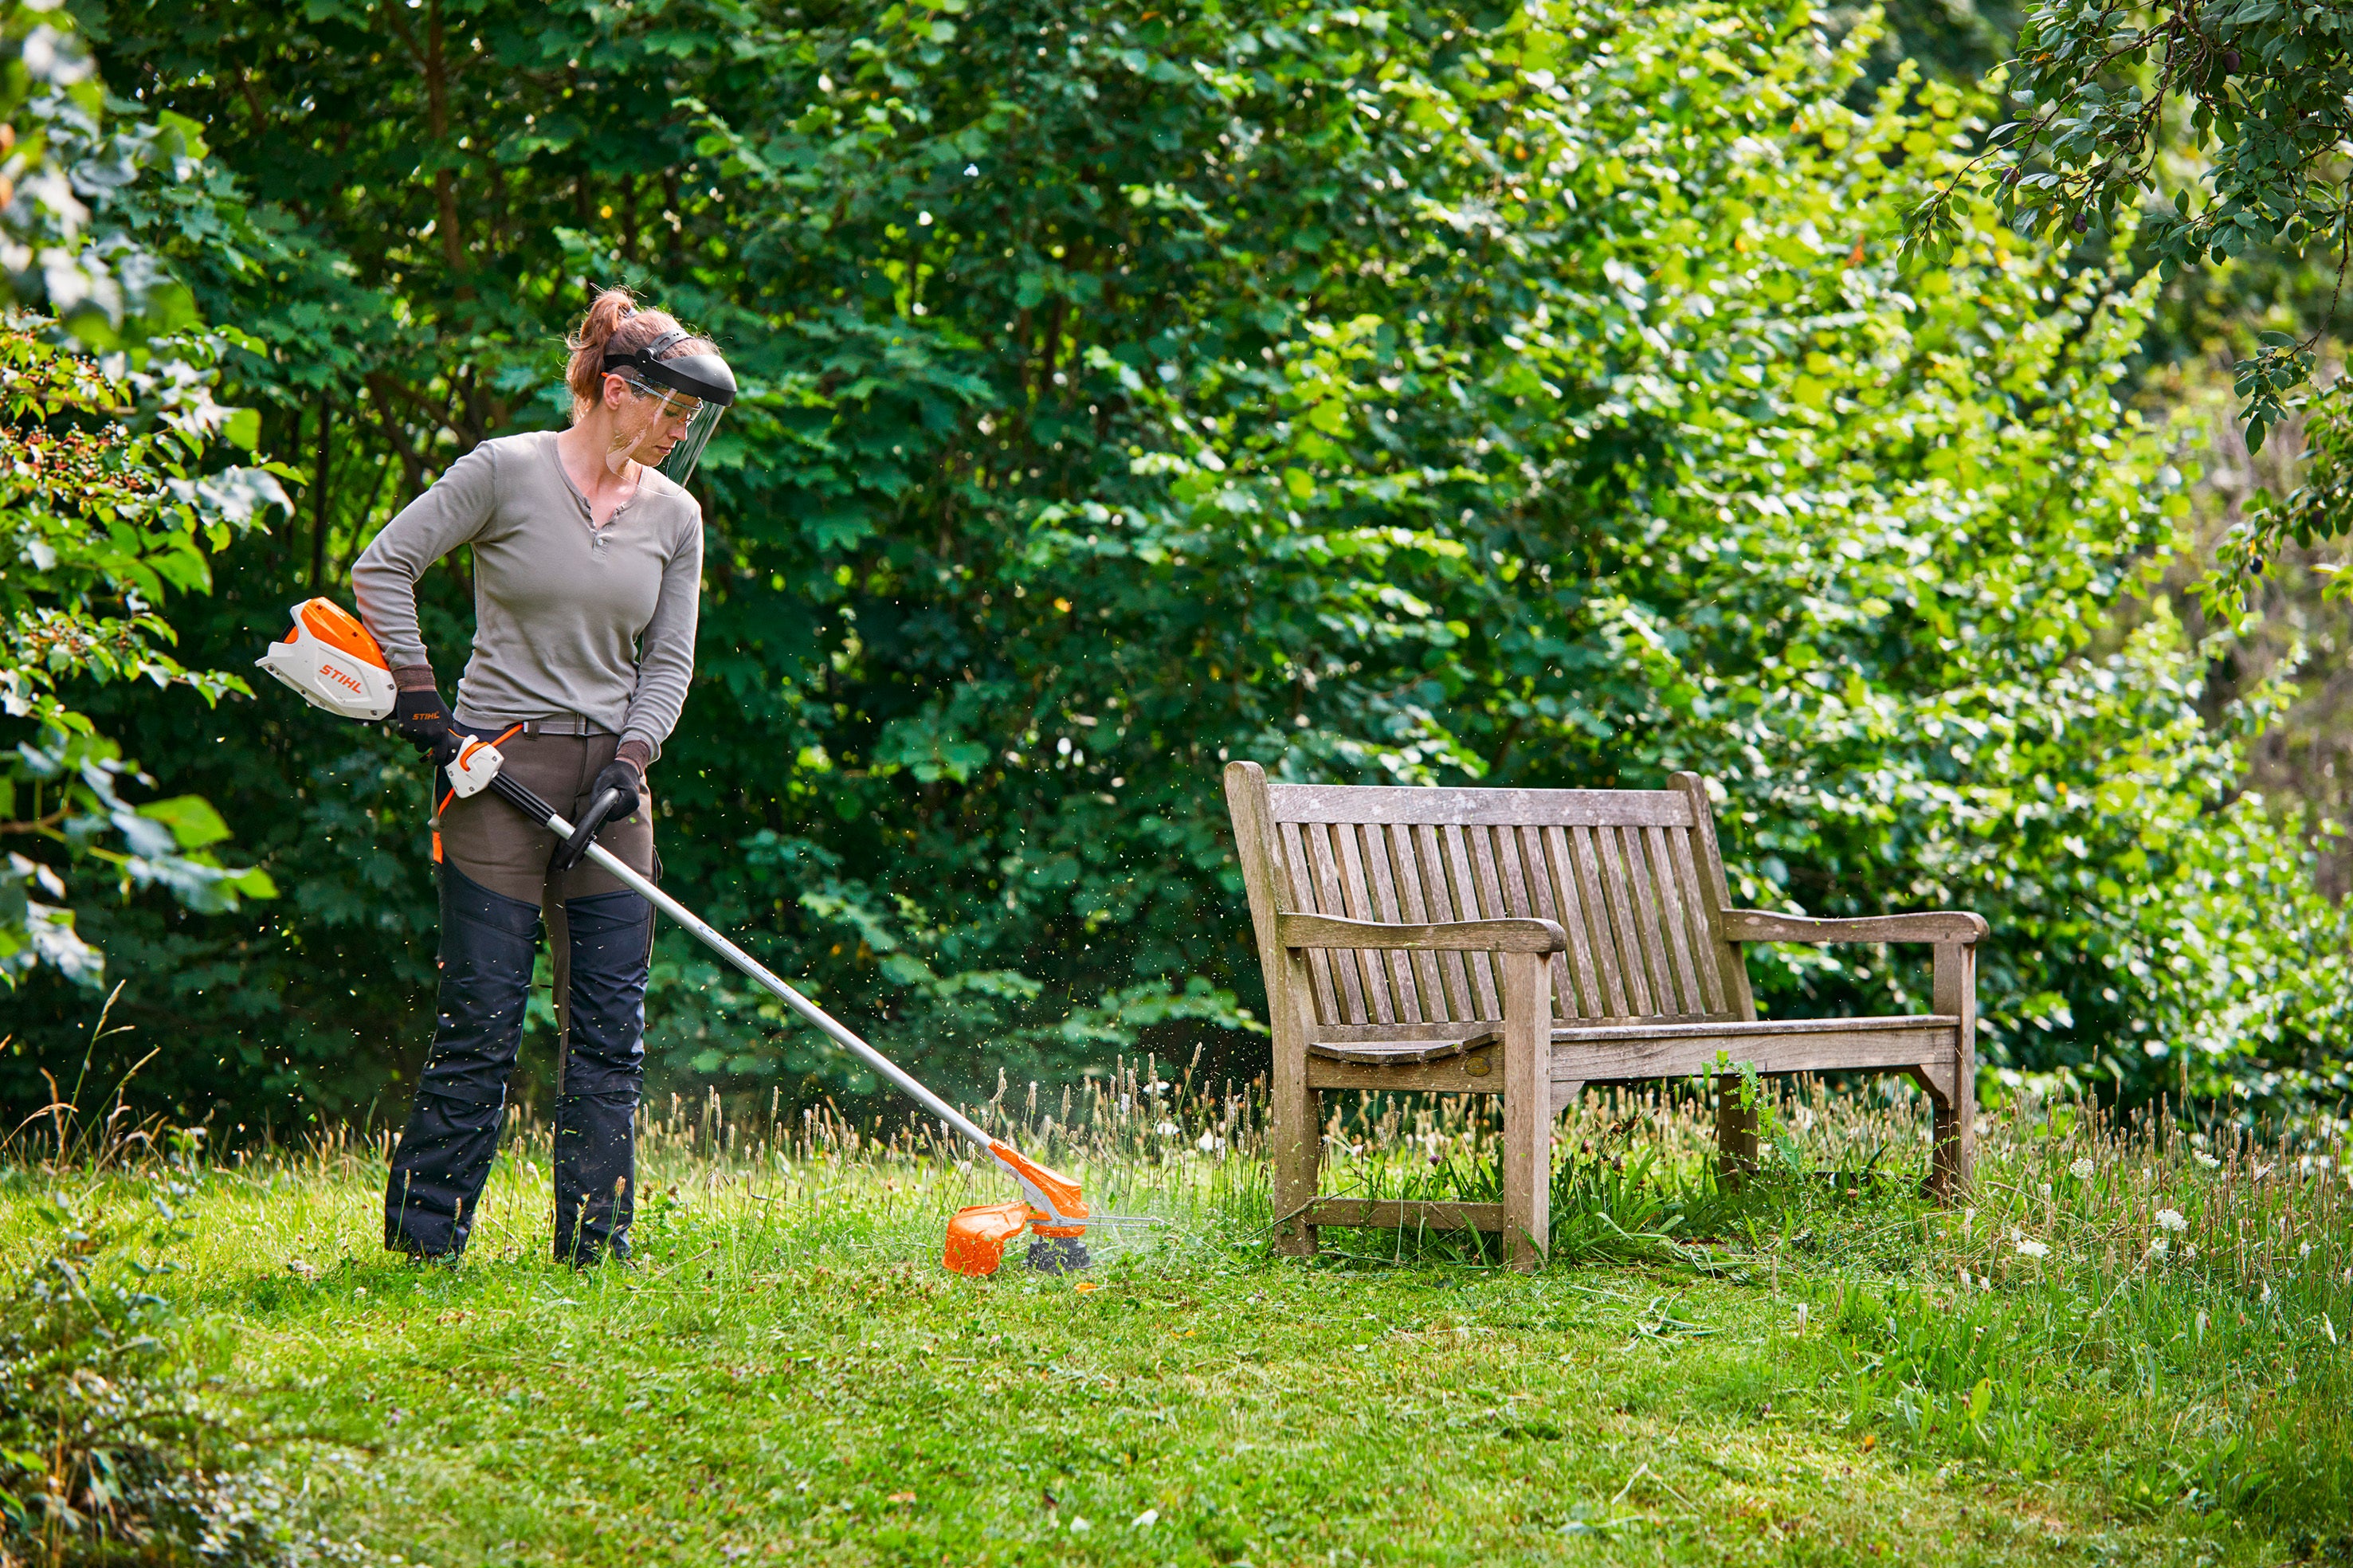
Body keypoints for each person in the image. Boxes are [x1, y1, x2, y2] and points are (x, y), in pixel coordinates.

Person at [353, 287, 734, 1264]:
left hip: (611, 784)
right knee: (481, 1017)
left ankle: (595, 1250)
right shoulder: (505, 472)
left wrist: (634, 758)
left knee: (610, 1031)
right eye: (673, 409)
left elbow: (669, 662)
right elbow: (383, 568)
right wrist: (425, 705)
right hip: (491, 770)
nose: (680, 430)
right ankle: (425, 1246)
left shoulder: (676, 517)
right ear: (616, 390)